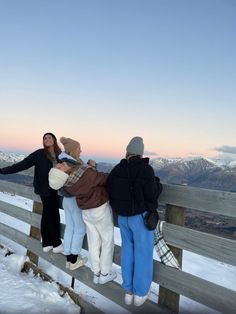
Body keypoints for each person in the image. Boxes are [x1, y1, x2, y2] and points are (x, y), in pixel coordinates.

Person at [48, 137, 116, 284]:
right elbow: (100, 179)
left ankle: (96, 271)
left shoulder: (69, 180)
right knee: (106, 240)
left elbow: (86, 179)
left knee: (92, 241)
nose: (60, 164)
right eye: (59, 168)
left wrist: (89, 168)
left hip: (86, 210)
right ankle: (104, 273)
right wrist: (93, 168)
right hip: (98, 207)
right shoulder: (82, 172)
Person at [107, 136, 161, 307]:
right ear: (141, 153)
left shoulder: (117, 170)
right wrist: (157, 184)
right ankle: (140, 293)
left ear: (127, 151)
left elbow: (111, 190)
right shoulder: (146, 170)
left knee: (128, 251)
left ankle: (128, 290)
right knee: (143, 253)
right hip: (140, 217)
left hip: (123, 218)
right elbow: (151, 194)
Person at [0, 132, 63, 253]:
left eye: (50, 137)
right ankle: (56, 243)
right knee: (53, 215)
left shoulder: (59, 155)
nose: (47, 139)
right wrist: (2, 171)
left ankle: (47, 243)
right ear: (43, 142)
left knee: (47, 213)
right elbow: (23, 164)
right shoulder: (39, 153)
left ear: (54, 140)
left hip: (55, 189)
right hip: (45, 189)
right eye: (45, 138)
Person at [57, 137, 88, 270]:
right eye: (78, 148)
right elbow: (83, 176)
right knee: (80, 229)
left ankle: (68, 258)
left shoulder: (62, 161)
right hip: (74, 199)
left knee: (70, 227)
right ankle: (74, 260)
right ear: (73, 150)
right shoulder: (73, 163)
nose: (81, 151)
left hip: (66, 199)